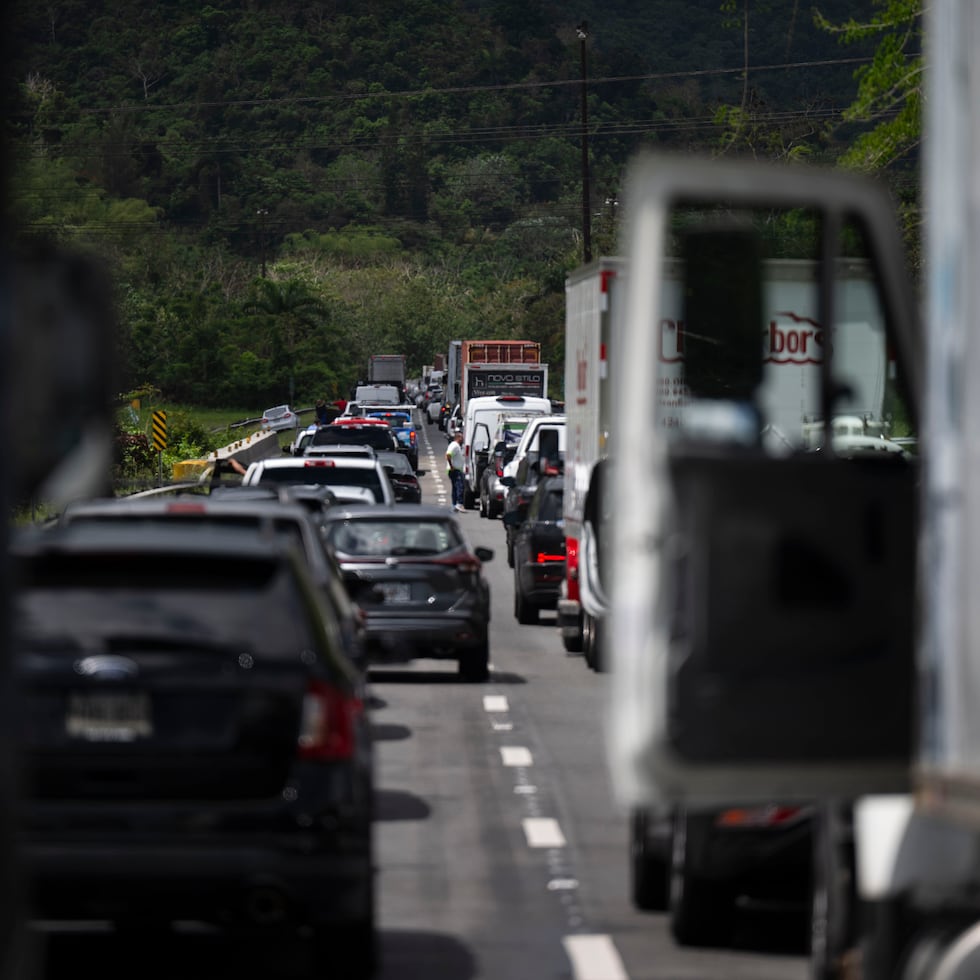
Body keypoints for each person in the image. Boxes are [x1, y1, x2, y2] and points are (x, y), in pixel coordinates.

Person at [446, 430, 465, 512]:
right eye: (462, 437)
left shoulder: (456, 446)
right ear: (458, 437)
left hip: (456, 470)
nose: (463, 439)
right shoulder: (455, 445)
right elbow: (448, 455)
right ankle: (459, 504)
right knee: (459, 486)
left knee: (455, 487)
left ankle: (454, 504)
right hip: (455, 470)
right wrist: (451, 466)